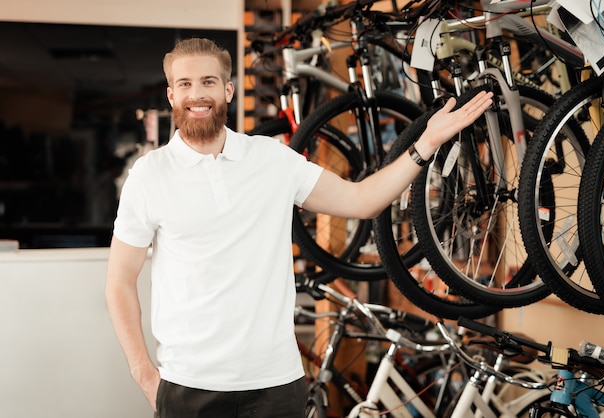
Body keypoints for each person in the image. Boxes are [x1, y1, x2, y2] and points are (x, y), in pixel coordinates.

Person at [105, 37, 493, 417]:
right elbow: (120, 280)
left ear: (228, 90)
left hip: (275, 387)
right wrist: (144, 374)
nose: (197, 95)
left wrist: (427, 142)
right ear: (171, 95)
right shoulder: (150, 175)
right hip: (187, 387)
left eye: (208, 82)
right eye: (185, 84)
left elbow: (362, 201)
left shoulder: (271, 159)